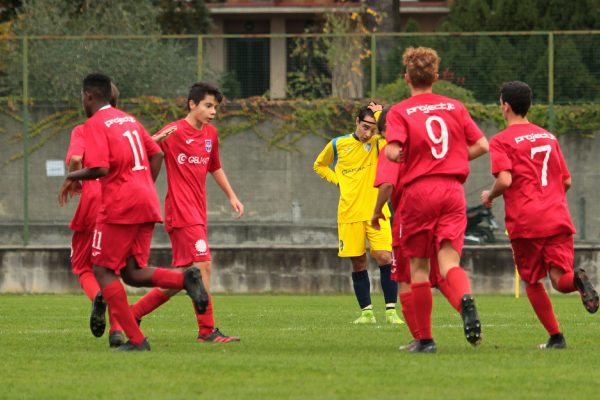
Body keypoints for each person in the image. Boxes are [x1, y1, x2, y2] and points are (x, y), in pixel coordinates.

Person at [59, 73, 209, 351]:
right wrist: (143, 186)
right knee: (132, 271)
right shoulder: (130, 120)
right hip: (146, 201)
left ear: (89, 96)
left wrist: (72, 176)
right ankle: (184, 279)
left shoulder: (94, 124)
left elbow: (101, 168)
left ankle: (137, 340)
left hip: (118, 205)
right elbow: (157, 154)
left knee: (101, 271)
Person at [385, 47, 489, 353]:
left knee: (418, 268)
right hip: (453, 190)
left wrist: (398, 153)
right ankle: (465, 298)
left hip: (420, 192)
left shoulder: (400, 111)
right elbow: (482, 144)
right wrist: (454, 158)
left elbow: (392, 151)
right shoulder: (455, 107)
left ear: (407, 78)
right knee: (448, 260)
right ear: (436, 76)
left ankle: (426, 340)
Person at [481, 81, 599, 349]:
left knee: (532, 280)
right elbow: (566, 181)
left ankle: (556, 337)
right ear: (529, 106)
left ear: (505, 106)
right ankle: (580, 281)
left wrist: (489, 195)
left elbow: (505, 180)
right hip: (557, 216)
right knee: (560, 279)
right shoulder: (549, 137)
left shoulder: (501, 140)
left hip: (527, 221)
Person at [129, 82, 243, 343]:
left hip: (198, 213)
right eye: (208, 105)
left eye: (215, 107)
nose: (213, 111)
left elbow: (215, 167)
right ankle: (207, 331)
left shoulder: (211, 135)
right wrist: (152, 143)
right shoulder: (174, 131)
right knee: (203, 266)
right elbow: (141, 154)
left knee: (180, 279)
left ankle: (132, 313)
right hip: (180, 212)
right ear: (192, 104)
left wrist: (232, 196)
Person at [371, 109, 462, 351]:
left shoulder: (391, 151)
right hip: (439, 208)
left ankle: (422, 338)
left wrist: (377, 210)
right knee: (439, 276)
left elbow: (389, 183)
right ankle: (465, 306)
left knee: (405, 278)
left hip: (408, 216)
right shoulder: (422, 147)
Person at [314, 103, 403, 325]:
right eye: (365, 127)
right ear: (356, 122)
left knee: (385, 257)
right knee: (358, 262)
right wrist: (339, 181)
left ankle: (391, 311)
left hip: (377, 212)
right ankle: (367, 313)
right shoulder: (338, 144)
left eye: (372, 128)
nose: (368, 132)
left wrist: (379, 112)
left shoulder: (377, 143)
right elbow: (319, 165)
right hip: (349, 213)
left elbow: (388, 129)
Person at [59, 83, 125, 348]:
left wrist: (73, 177)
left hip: (92, 200)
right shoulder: (124, 126)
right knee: (113, 269)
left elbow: (76, 158)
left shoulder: (84, 129)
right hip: (120, 201)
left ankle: (97, 295)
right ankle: (117, 332)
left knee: (84, 266)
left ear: (91, 98)